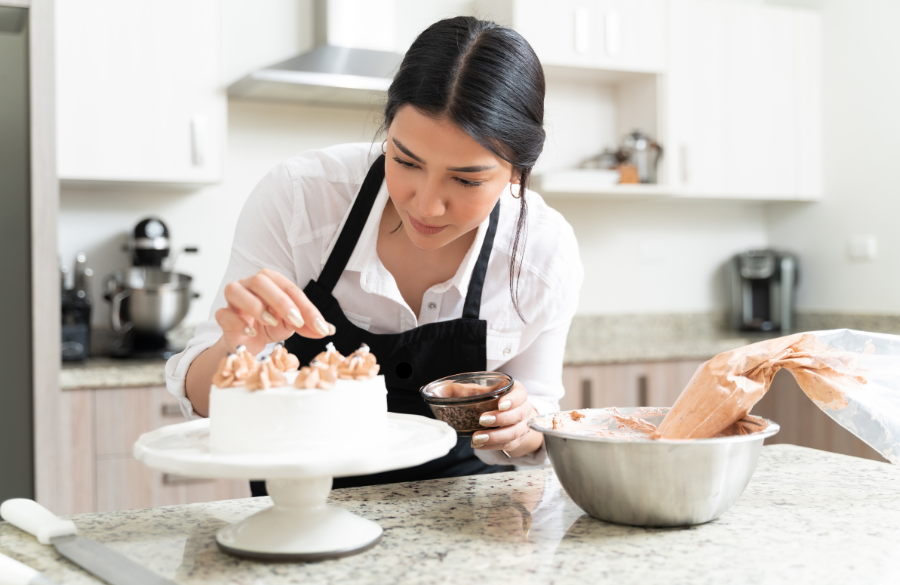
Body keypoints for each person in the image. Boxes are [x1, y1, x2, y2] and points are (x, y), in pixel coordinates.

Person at [165, 16, 583, 491]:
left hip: (461, 516)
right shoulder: (302, 198)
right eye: (405, 161)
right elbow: (199, 401)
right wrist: (236, 348)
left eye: (466, 180)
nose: (426, 204)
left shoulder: (542, 254)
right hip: (296, 508)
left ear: (517, 171)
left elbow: (541, 425)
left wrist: (520, 427)